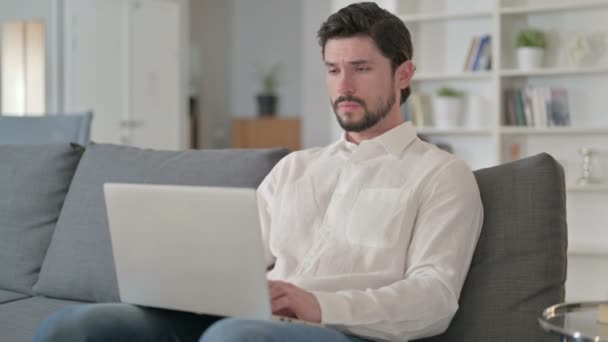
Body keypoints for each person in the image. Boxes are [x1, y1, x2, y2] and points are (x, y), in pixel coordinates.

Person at [33, 2, 483, 342]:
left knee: (232, 338)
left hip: (346, 333)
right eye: (332, 70)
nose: (343, 86)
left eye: (361, 69)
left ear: (403, 74)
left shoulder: (441, 175)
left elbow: (434, 299)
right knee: (79, 326)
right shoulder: (296, 168)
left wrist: (318, 305)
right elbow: (236, 257)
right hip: (252, 319)